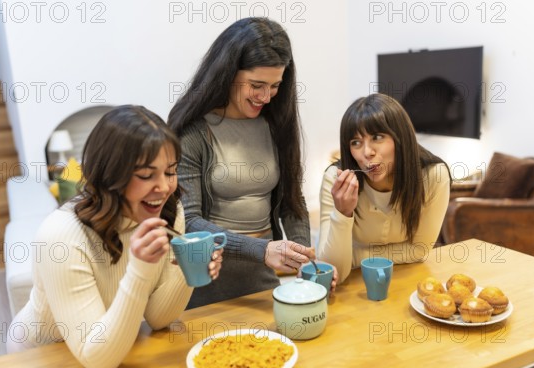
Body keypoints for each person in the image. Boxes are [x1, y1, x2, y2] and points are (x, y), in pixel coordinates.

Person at [6, 105, 223, 368]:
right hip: (42, 360)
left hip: (111, 346)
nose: (165, 187)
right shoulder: (61, 236)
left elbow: (158, 318)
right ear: (110, 175)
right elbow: (97, 361)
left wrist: (188, 267)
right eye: (146, 175)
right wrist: (139, 270)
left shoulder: (168, 211)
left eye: (170, 171)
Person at [168, 17, 335, 308]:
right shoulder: (192, 132)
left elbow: (291, 204)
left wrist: (304, 259)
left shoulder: (275, 125)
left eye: (274, 86)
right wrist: (262, 249)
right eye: (257, 85)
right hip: (204, 289)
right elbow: (190, 223)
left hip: (261, 283)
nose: (265, 97)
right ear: (227, 73)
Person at [318, 93, 451, 283]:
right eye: (356, 142)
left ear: (400, 138)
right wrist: (343, 213)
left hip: (408, 279)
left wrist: (353, 257)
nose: (366, 153)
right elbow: (333, 273)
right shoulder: (335, 180)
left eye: (377, 137)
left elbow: (420, 250)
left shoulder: (433, 176)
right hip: (354, 285)